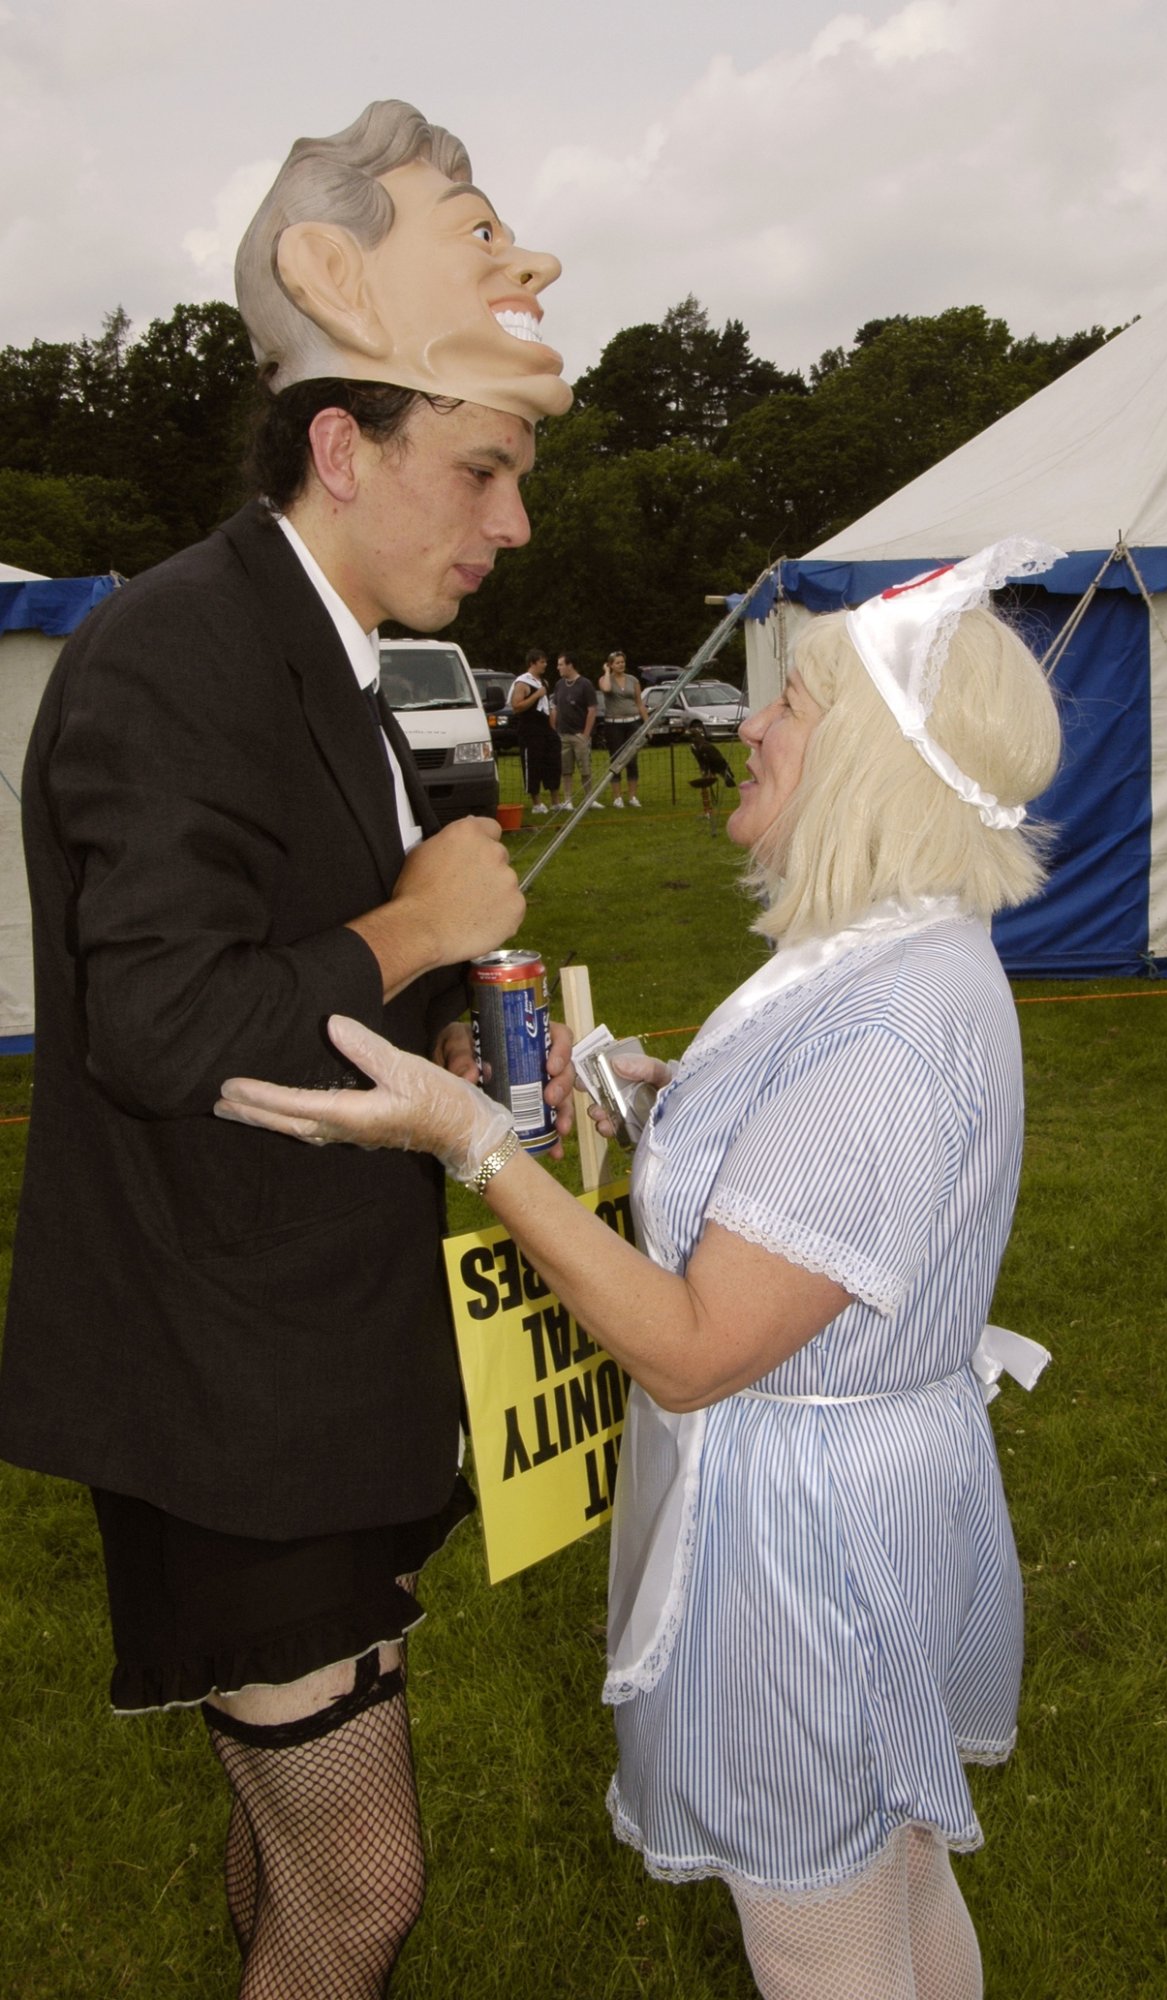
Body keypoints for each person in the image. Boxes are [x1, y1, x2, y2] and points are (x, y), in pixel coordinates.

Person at [213, 540, 1064, 2000]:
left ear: (873, 762)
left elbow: (688, 1346)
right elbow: (822, 1198)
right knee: (895, 1873)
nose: (748, 723)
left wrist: (471, 1141)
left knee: (821, 1932)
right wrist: (666, 1106)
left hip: (812, 1549)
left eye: (790, 704)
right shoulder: (897, 962)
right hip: (866, 1493)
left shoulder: (891, 1026)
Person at [0, 99, 576, 2000]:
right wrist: (423, 924)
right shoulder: (178, 653)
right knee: (362, 1890)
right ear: (346, 443)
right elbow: (164, 1021)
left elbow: (386, 967)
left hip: (330, 1371)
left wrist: (514, 1035)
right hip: (223, 1395)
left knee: (294, 1868)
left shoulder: (377, 663)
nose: (512, 521)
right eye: (482, 472)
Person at [512, 645, 562, 811]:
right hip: (530, 729)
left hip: (545, 727)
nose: (545, 665)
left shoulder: (544, 682)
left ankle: (555, 802)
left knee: (553, 762)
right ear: (533, 663)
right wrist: (536, 695)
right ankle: (537, 803)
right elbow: (516, 706)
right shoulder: (522, 682)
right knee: (533, 764)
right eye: (542, 662)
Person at [552, 651, 601, 808]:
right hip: (563, 734)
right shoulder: (559, 684)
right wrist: (555, 729)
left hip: (579, 734)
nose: (558, 667)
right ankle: (568, 799)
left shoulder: (585, 684)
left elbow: (592, 710)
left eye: (560, 664)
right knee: (566, 770)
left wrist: (585, 734)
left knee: (585, 768)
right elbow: (555, 707)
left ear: (570, 665)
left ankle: (589, 798)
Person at [599, 649, 646, 807]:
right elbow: (605, 689)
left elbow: (640, 703)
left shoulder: (633, 680)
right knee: (616, 759)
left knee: (632, 760)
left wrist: (646, 724)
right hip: (614, 725)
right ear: (611, 664)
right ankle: (617, 797)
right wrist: (606, 672)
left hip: (633, 722)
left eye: (623, 662)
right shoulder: (605, 680)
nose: (621, 665)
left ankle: (632, 796)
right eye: (617, 662)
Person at [683, 715, 736, 829]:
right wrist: (704, 771)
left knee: (727, 780)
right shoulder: (693, 747)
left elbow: (718, 761)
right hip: (709, 767)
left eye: (691, 736)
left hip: (719, 767)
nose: (690, 738)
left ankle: (710, 809)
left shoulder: (705, 746)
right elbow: (701, 761)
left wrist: (720, 773)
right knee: (705, 784)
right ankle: (707, 810)